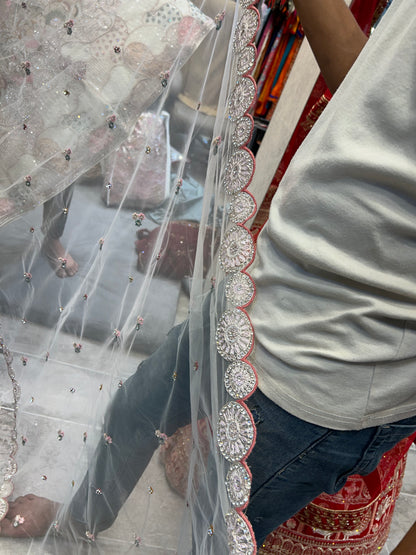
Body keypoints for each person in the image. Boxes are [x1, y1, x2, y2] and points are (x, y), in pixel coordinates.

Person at [1, 0, 416, 552]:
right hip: (264, 286)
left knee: (213, 529)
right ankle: (82, 518)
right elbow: (375, 92)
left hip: (338, 359)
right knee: (135, 407)